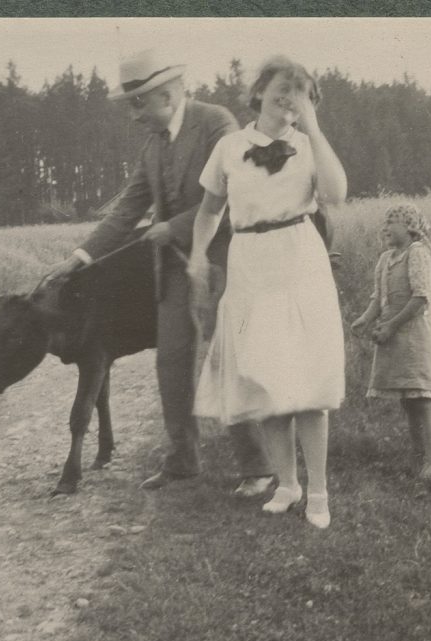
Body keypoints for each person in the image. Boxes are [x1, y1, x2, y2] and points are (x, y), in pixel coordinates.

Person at [43, 49, 273, 496]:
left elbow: (237, 193)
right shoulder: (152, 146)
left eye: (137, 104)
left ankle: (259, 468)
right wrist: (78, 258)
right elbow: (127, 210)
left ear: (166, 96)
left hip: (223, 260)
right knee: (171, 363)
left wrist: (176, 226)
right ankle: (183, 460)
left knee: (225, 359)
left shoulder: (215, 123)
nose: (132, 117)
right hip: (172, 273)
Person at [186, 56, 347, 530]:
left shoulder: (310, 144)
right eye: (282, 86)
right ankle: (287, 483)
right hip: (250, 264)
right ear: (259, 92)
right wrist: (197, 254)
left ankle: (317, 490)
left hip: (299, 260)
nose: (289, 95)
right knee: (266, 378)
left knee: (308, 383)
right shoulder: (230, 147)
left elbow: (336, 194)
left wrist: (313, 129)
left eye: (301, 90)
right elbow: (210, 211)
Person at [350, 203, 431, 483]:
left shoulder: (418, 254)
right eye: (386, 223)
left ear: (411, 228)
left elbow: (420, 298)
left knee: (424, 398)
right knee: (408, 401)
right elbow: (378, 298)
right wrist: (365, 319)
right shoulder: (385, 259)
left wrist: (390, 325)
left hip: (416, 335)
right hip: (394, 335)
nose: (386, 228)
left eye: (393, 223)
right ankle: (417, 459)